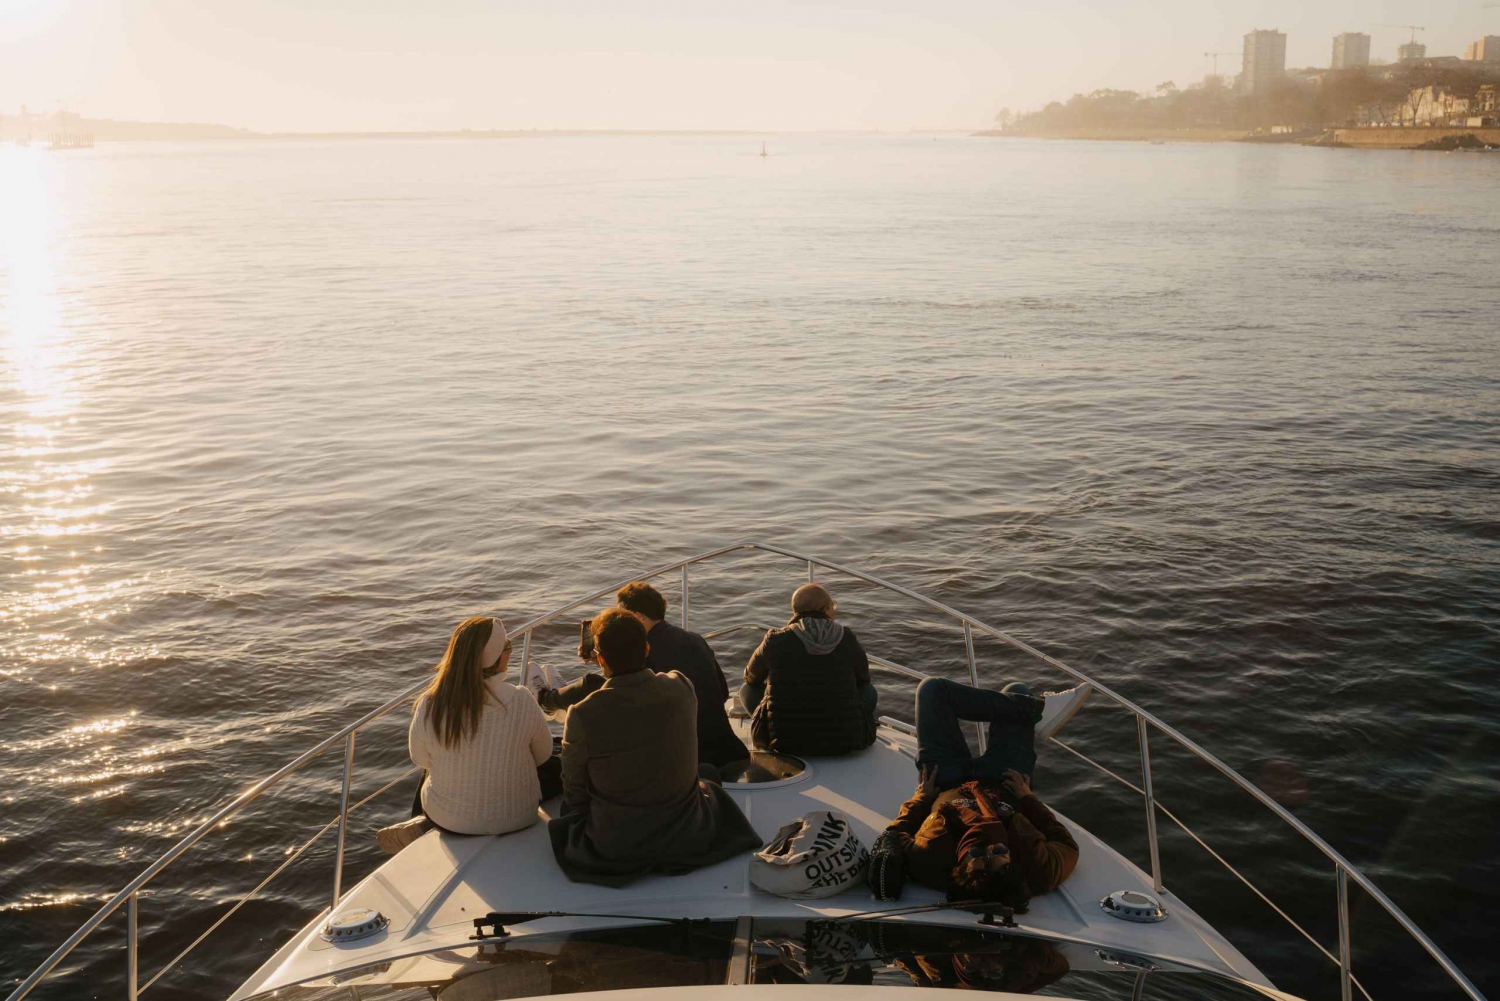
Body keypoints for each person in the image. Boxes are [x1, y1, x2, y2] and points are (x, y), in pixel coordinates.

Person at [547, 608, 761, 885]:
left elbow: (574, 789)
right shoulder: (681, 686)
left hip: (618, 845)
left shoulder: (581, 713)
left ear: (599, 659)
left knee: (568, 812)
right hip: (687, 835)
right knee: (706, 774)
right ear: (647, 648)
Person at [867, 676, 1090, 909]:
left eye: (977, 854)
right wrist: (1029, 799)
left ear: (961, 868)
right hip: (1005, 781)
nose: (988, 845)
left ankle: (1036, 709)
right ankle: (1034, 708)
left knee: (932, 690)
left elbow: (895, 835)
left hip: (946, 782)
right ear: (1011, 863)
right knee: (1017, 689)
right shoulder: (1037, 869)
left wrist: (922, 798)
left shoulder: (930, 861)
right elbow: (1066, 845)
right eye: (1000, 852)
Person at [375, 616, 557, 854]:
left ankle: (424, 821)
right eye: (507, 647)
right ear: (495, 658)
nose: (510, 654)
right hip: (519, 817)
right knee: (558, 760)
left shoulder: (431, 703)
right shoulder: (521, 699)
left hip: (449, 821)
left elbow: (420, 759)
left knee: (433, 766)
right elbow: (542, 756)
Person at [530, 581, 748, 768]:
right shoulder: (695, 639)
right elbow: (723, 692)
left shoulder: (647, 652)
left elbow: (620, 689)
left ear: (638, 618)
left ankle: (548, 700)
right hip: (727, 748)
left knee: (593, 685)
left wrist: (606, 657)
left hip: (688, 755)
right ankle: (558, 700)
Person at [739, 583, 877, 756]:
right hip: (848, 740)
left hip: (783, 741)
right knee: (869, 691)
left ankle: (769, 728)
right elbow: (864, 680)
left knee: (746, 690)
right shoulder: (846, 637)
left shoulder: (775, 639)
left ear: (795, 612)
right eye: (832, 606)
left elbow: (750, 678)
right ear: (825, 609)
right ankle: (858, 725)